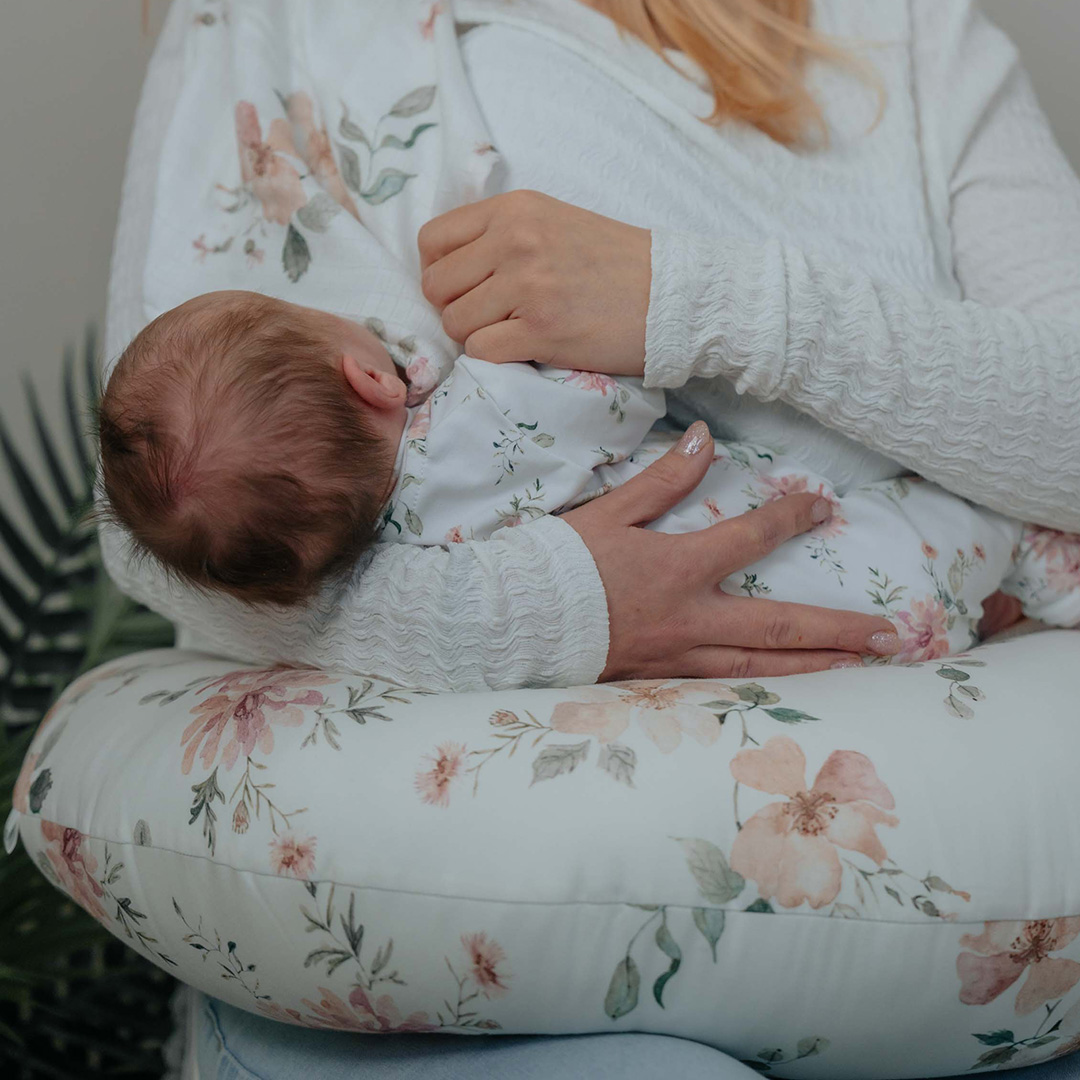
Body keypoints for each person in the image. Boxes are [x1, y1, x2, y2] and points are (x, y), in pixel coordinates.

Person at [97, 289, 1078, 661]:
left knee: (907, 568)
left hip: (745, 622)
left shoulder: (398, 549)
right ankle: (1035, 557)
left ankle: (988, 602)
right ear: (370, 374)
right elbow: (616, 389)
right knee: (936, 521)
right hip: (786, 556)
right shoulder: (484, 414)